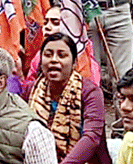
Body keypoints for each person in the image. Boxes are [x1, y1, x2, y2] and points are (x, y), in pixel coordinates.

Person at [23, 33, 111, 164]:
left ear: (74, 63)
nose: (54, 60)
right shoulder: (30, 90)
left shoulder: (90, 92)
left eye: (61, 55)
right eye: (48, 55)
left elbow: (91, 137)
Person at [25, 6, 62, 85]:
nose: (47, 27)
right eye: (45, 23)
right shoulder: (39, 56)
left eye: (55, 23)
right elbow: (29, 88)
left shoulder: (82, 58)